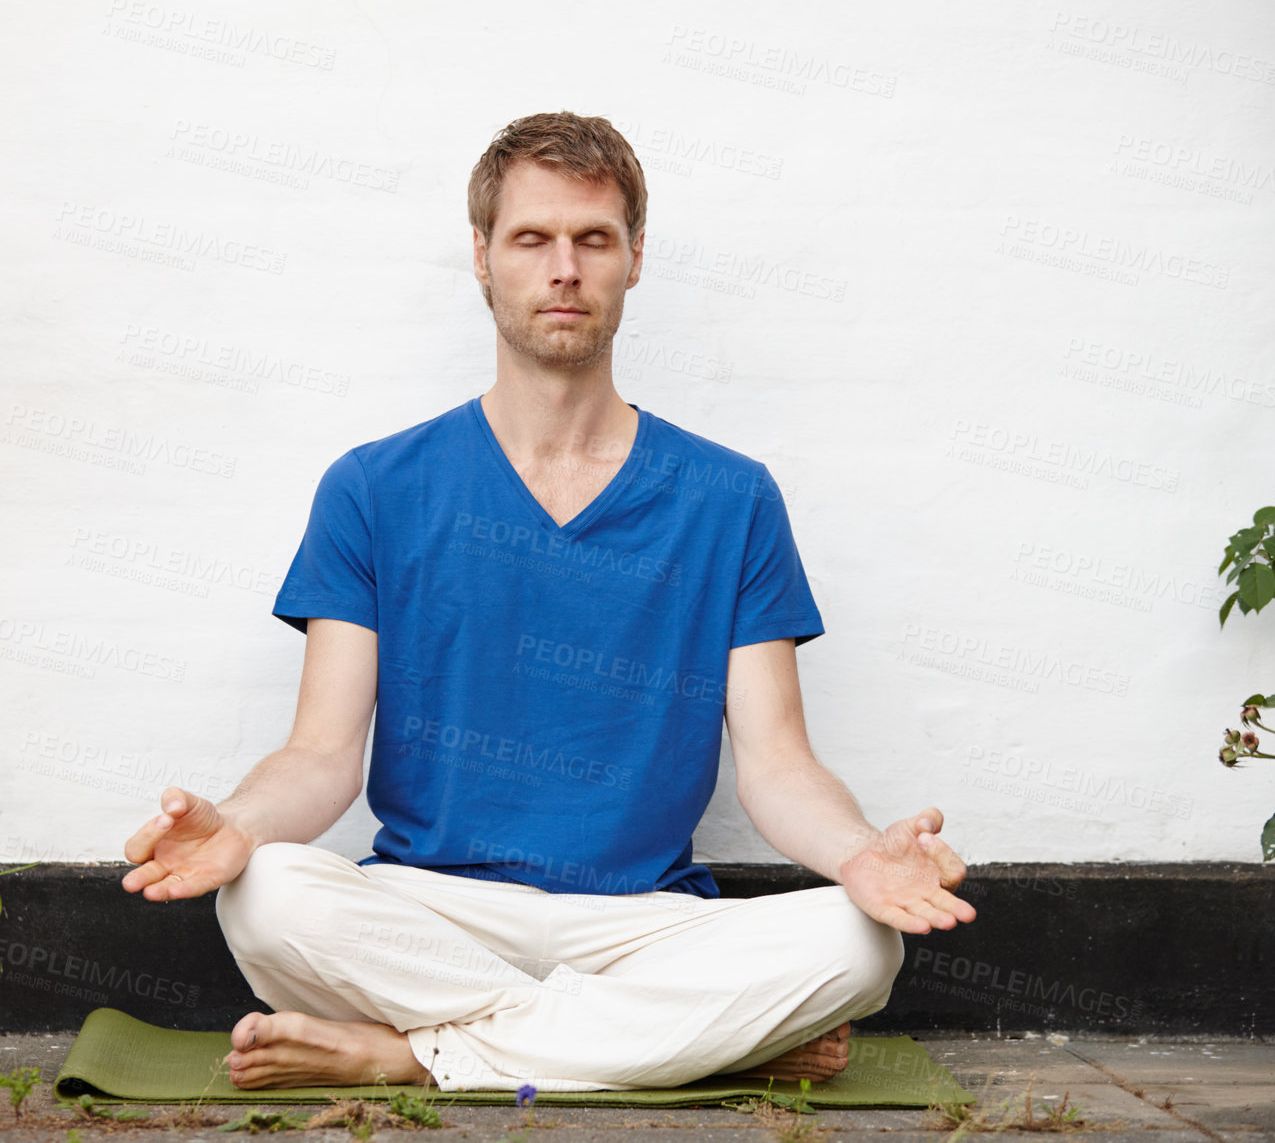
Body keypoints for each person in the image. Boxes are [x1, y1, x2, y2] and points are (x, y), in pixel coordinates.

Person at [122, 111, 976, 1093]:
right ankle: (667, 1044)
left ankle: (414, 1053)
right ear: (482, 256)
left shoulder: (730, 498)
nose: (563, 268)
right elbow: (320, 756)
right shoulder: (372, 486)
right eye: (532, 239)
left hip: (643, 921)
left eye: (593, 239)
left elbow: (779, 764)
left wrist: (863, 853)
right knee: (264, 890)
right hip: (430, 910)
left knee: (861, 944)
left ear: (633, 259)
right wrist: (234, 824)